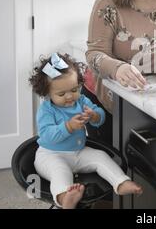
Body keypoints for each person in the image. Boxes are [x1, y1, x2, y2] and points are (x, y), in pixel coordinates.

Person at [29, 52, 142, 209]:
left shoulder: (81, 100)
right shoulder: (47, 110)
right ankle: (65, 198)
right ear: (48, 93)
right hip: (51, 155)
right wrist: (68, 127)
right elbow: (47, 136)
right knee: (60, 172)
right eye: (61, 94)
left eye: (74, 89)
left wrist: (94, 116)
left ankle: (120, 182)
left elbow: (100, 115)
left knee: (100, 157)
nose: (69, 96)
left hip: (79, 152)